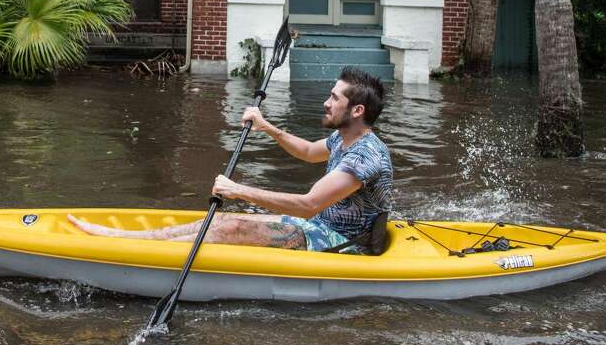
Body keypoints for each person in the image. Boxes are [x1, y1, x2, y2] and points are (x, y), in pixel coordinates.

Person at [69, 68, 393, 252]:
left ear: (357, 111)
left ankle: (133, 252)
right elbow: (309, 152)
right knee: (217, 221)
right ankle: (122, 240)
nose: (326, 103)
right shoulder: (345, 137)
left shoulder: (366, 156)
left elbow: (308, 205)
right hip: (323, 227)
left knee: (231, 225)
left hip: (345, 244)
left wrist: (238, 190)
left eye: (334, 98)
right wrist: (266, 127)